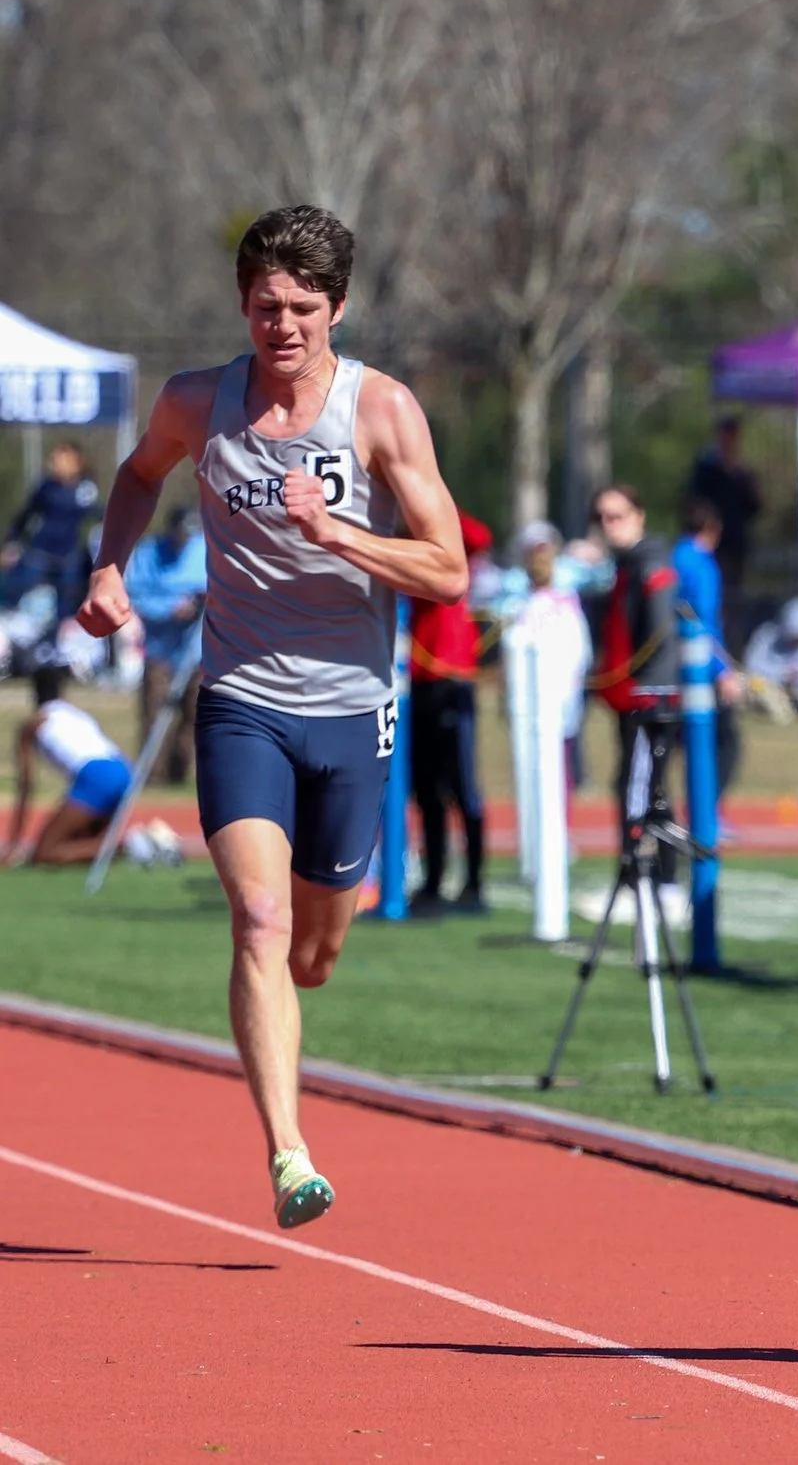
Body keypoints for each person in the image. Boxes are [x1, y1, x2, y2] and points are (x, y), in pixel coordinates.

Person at [74, 204, 469, 1226]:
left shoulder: (381, 412)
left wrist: (332, 530)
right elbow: (136, 475)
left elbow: (448, 569)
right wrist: (109, 568)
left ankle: (293, 995)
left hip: (352, 709)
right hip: (243, 695)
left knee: (313, 951)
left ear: (337, 307)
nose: (280, 325)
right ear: (242, 305)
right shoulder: (198, 402)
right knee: (257, 916)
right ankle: (290, 1153)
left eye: (300, 307)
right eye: (263, 305)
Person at [588, 483, 681, 885]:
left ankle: (650, 875)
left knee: (641, 785)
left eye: (618, 516)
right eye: (603, 518)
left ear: (639, 516)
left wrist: (648, 687)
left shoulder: (650, 564)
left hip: (648, 698)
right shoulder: (624, 565)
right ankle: (647, 872)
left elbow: (660, 633)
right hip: (630, 696)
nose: (610, 526)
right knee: (640, 783)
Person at [407, 511, 494, 915]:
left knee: (462, 786)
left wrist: (432, 498)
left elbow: (480, 535)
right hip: (418, 680)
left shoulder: (449, 541)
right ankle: (433, 881)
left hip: (452, 679)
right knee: (426, 791)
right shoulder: (407, 543)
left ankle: (475, 884)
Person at [7, 667, 143, 868]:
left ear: (34, 693)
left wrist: (14, 843)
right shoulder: (75, 714)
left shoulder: (33, 724)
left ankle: (129, 846)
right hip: (124, 770)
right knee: (82, 840)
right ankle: (131, 845)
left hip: (97, 775)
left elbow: (26, 783)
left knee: (45, 853)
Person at [123, 504, 208, 784]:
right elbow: (137, 596)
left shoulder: (204, 549)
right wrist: (170, 609)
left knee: (194, 713)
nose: (185, 539)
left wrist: (199, 603)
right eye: (182, 533)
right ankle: (153, 775)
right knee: (156, 710)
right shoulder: (148, 553)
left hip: (196, 651)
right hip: (160, 649)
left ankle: (181, 773)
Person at [509, 520, 593, 792]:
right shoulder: (519, 600)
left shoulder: (566, 599)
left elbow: (579, 651)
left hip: (559, 694)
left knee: (559, 765)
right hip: (529, 699)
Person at [673, 496, 744, 799]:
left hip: (670, 661)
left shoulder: (674, 556)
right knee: (724, 742)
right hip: (699, 664)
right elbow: (703, 621)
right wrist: (724, 670)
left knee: (686, 740)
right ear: (712, 529)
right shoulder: (702, 564)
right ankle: (706, 813)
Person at [3, 441, 98, 611]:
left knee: (68, 601)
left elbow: (97, 514)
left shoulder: (85, 489)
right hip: (39, 553)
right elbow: (26, 515)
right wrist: (12, 542)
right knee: (22, 596)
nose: (55, 464)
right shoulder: (45, 487)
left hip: (69, 556)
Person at [685, 414, 760, 607]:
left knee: (733, 595)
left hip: (734, 543)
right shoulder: (706, 468)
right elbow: (695, 500)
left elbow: (753, 506)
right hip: (710, 543)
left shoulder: (742, 471)